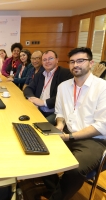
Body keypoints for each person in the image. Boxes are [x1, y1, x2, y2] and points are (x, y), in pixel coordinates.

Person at [39, 47, 106, 200]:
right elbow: (60, 113)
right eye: (72, 62)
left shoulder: (102, 87)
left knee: (76, 169)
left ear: (91, 63)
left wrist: (69, 137)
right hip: (67, 132)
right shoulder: (64, 87)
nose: (76, 65)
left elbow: (101, 126)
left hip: (95, 140)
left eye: (81, 61)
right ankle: (54, 190)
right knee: (37, 151)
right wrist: (59, 127)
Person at [23, 50, 73, 123]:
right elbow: (28, 88)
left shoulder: (66, 74)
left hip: (56, 113)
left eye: (50, 58)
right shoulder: (39, 75)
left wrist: (43, 102)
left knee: (39, 126)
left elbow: (65, 96)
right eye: (44, 60)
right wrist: (32, 99)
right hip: (38, 109)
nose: (47, 61)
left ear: (57, 60)